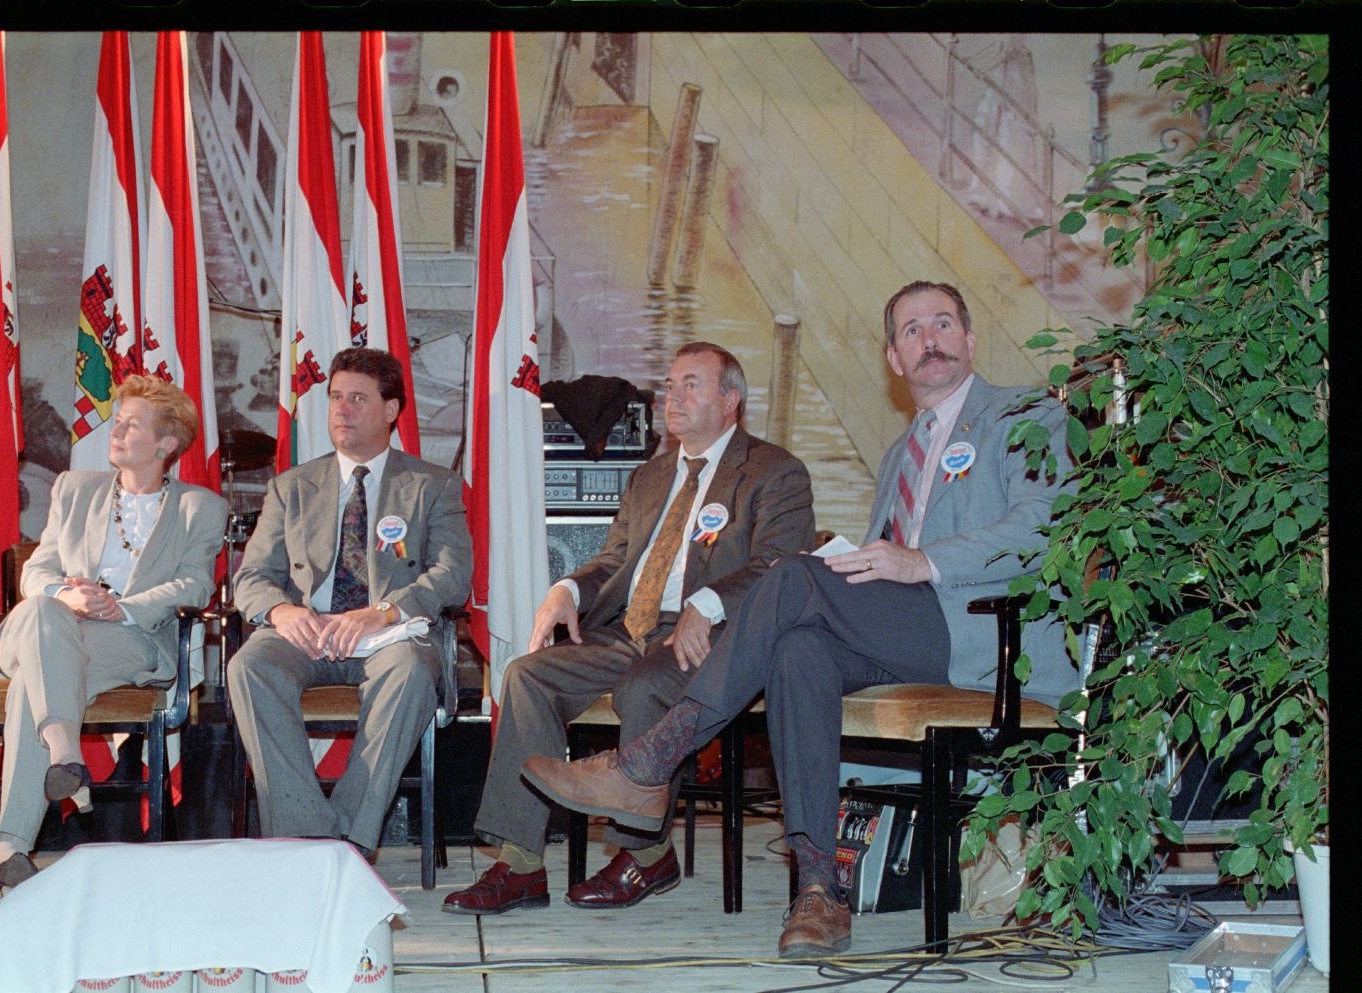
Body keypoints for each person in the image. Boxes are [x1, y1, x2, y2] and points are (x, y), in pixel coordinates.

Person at [520, 281, 1077, 957]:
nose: (928, 339)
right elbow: (872, 569)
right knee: (798, 650)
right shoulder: (904, 452)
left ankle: (649, 759)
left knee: (789, 575)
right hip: (912, 629)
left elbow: (1044, 525)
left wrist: (921, 560)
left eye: (941, 324)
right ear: (893, 359)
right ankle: (818, 890)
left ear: (970, 339)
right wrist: (867, 565)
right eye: (910, 331)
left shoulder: (1025, 414)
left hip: (991, 631)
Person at [442, 342, 814, 915]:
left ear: (731, 401)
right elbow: (615, 561)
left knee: (645, 684)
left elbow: (781, 567)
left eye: (693, 384)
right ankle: (521, 864)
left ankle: (642, 853)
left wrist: (708, 602)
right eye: (670, 384)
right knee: (525, 676)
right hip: (626, 627)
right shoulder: (649, 477)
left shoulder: (773, 471)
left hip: (712, 636)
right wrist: (566, 590)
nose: (674, 397)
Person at [0, 375, 228, 890]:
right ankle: (65, 750)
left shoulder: (199, 507)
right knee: (42, 614)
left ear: (166, 443)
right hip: (53, 625)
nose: (116, 431)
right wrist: (67, 596)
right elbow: (37, 570)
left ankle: (12, 848)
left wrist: (121, 607)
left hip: (129, 638)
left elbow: (195, 582)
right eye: (117, 421)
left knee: (37, 676)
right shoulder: (75, 489)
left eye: (131, 424)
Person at [226, 346, 471, 859]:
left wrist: (382, 612)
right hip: (307, 633)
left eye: (357, 399)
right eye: (336, 397)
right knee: (250, 666)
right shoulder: (292, 487)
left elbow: (452, 575)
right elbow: (251, 577)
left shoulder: (432, 486)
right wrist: (283, 611)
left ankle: (351, 842)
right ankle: (307, 837)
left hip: (388, 634)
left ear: (390, 410)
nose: (341, 410)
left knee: (406, 674)